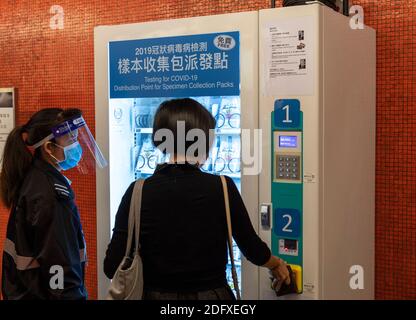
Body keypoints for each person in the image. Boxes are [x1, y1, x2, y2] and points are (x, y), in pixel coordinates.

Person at [104, 98, 290, 300]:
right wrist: (277, 264)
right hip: (213, 297)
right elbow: (253, 249)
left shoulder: (137, 191)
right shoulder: (222, 187)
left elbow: (112, 265)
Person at [1, 108, 107, 300]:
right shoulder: (51, 196)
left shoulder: (35, 177)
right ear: (49, 148)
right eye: (71, 140)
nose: (77, 146)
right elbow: (59, 267)